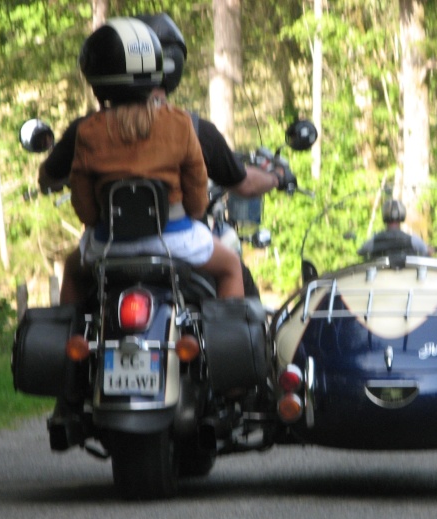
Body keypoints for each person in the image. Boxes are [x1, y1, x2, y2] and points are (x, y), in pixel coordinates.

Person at [39, 12, 287, 303]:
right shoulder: (180, 124)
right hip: (176, 241)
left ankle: (74, 341)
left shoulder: (87, 131)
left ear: (97, 81)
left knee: (71, 269)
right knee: (231, 266)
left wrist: (99, 223)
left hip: (109, 246)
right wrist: (193, 215)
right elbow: (197, 197)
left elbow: (85, 208)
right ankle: (225, 342)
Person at [357, 198, 429, 259]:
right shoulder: (413, 240)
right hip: (406, 275)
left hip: (381, 275)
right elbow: (426, 251)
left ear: (384, 216)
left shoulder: (373, 241)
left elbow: (361, 252)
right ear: (402, 215)